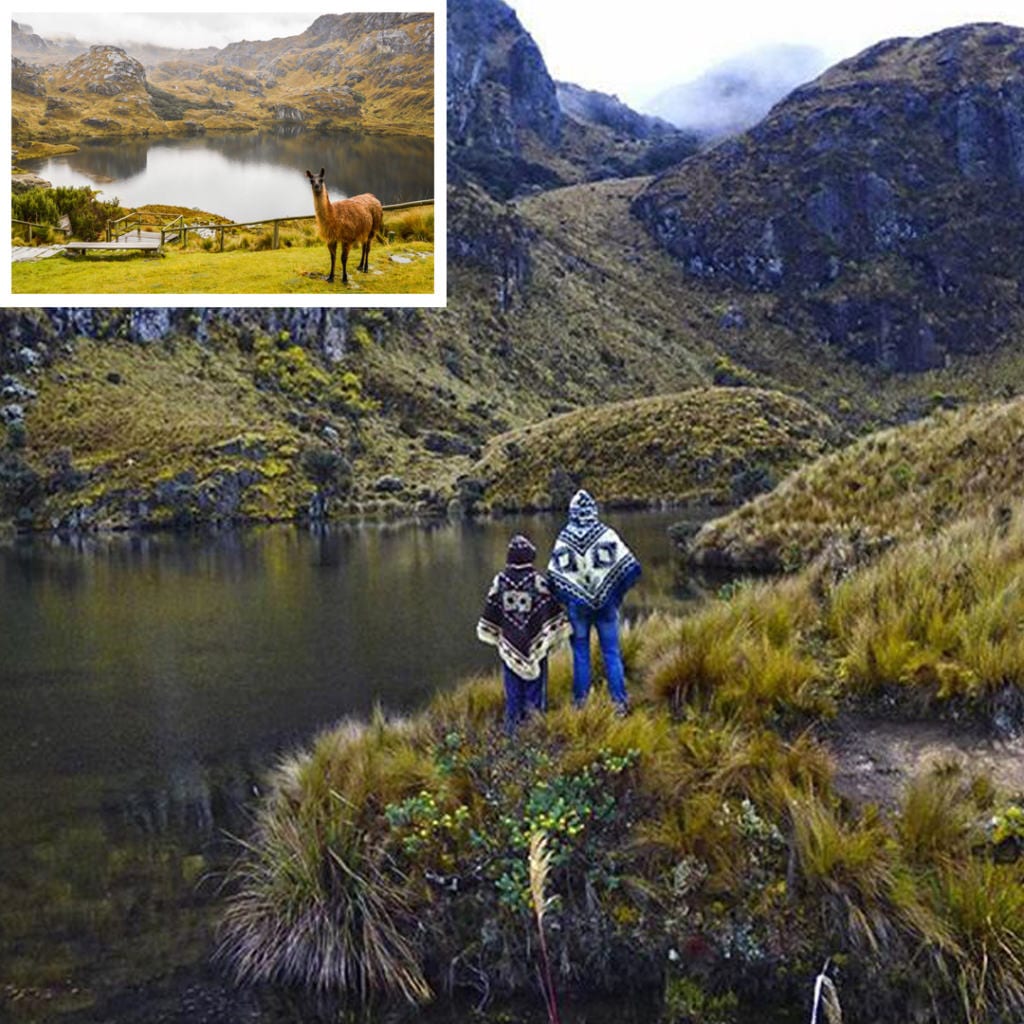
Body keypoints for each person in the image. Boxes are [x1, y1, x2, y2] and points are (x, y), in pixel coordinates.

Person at [547, 490, 641, 712]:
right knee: (612, 652)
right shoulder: (606, 534)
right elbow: (630, 567)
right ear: (593, 512)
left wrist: (568, 597)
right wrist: (615, 593)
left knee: (581, 653)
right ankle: (619, 703)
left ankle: (581, 704)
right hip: (607, 607)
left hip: (577, 609)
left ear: (572, 513)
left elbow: (554, 578)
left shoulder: (564, 538)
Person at [477, 534, 571, 733]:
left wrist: (501, 633)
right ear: (530, 558)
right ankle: (534, 731)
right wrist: (552, 636)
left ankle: (511, 732)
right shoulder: (538, 582)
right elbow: (552, 612)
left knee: (512, 691)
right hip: (534, 645)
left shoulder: (500, 581)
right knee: (535, 690)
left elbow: (491, 612)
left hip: (509, 644)